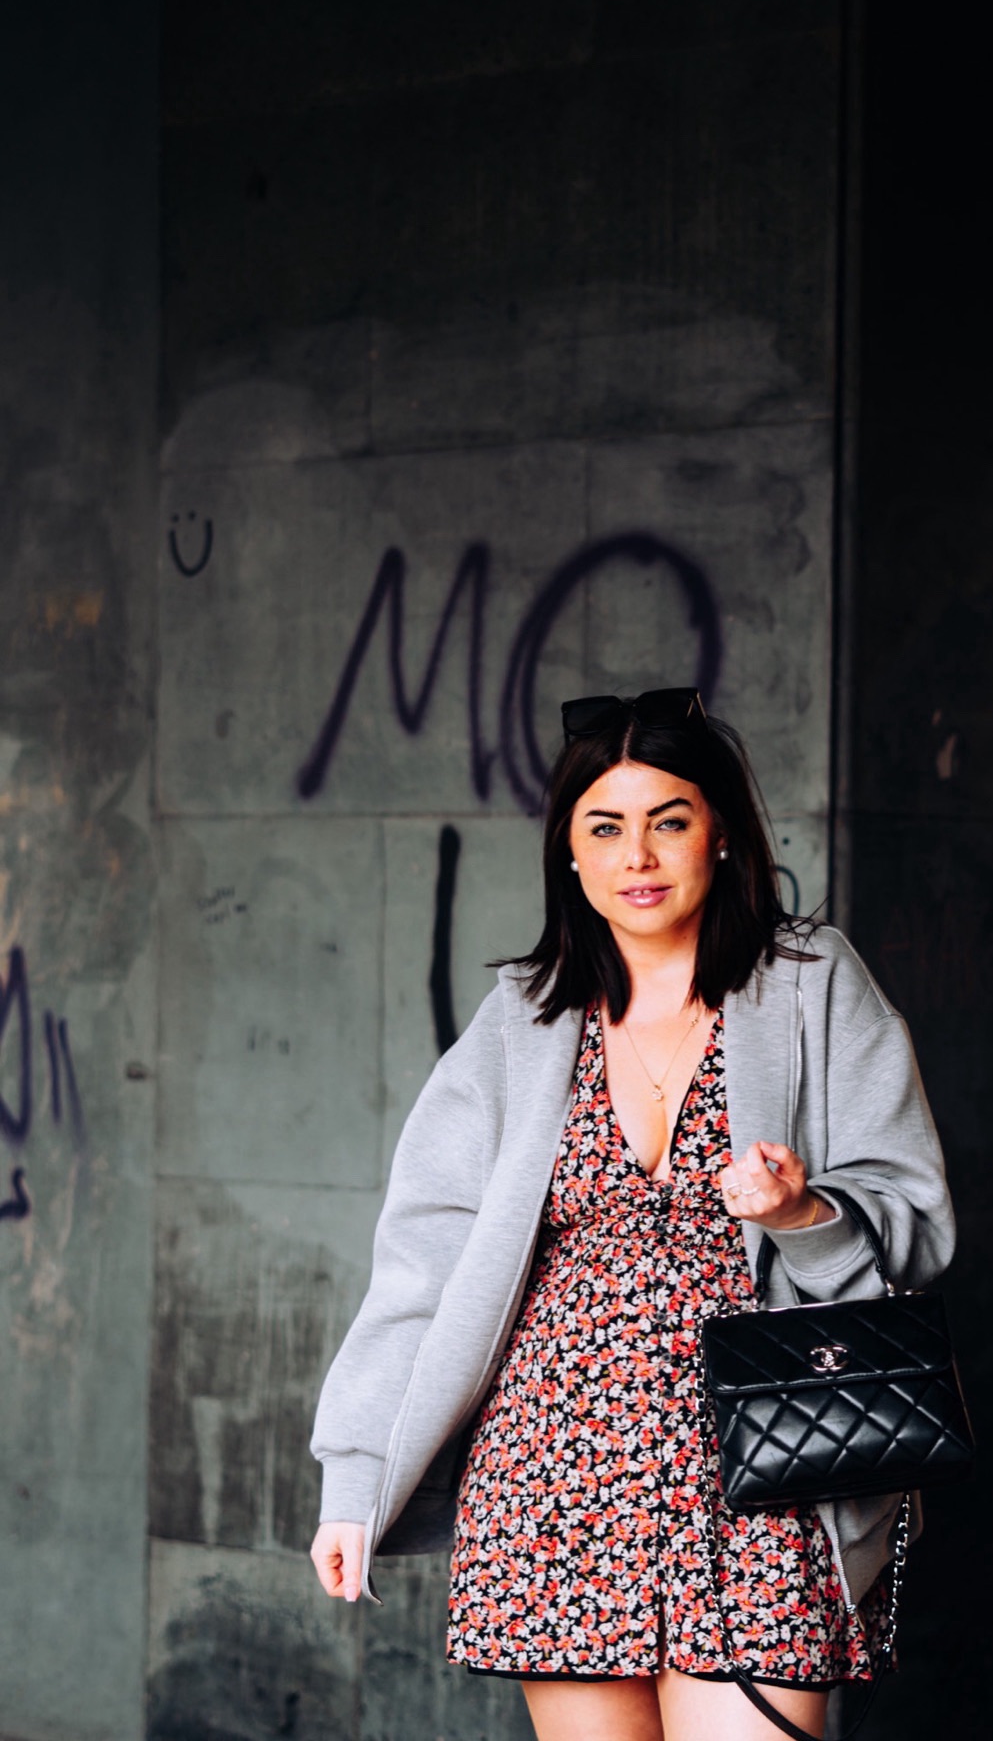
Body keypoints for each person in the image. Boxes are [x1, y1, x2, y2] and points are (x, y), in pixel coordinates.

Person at [310, 688, 954, 1741]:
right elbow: (422, 1260)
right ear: (569, 852)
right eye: (604, 827)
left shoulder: (809, 983)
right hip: (552, 1469)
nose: (637, 856)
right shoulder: (523, 1015)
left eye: (668, 820)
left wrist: (804, 1212)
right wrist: (356, 1479)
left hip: (765, 1465)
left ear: (720, 833)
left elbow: (918, 1221)